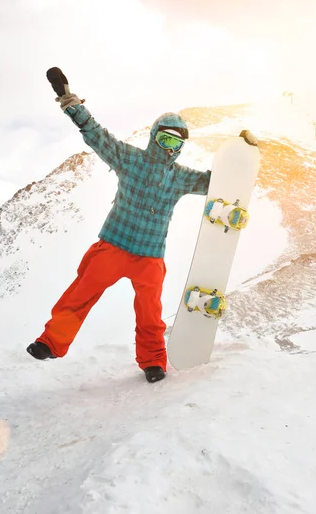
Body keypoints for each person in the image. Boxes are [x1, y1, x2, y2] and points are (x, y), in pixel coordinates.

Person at [27, 69, 213, 382]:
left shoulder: (180, 176)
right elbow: (98, 137)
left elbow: (213, 182)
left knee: (150, 313)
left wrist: (242, 161)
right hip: (113, 246)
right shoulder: (129, 158)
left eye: (175, 143)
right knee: (80, 294)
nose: (169, 148)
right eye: (164, 139)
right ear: (154, 137)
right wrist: (70, 102)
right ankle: (50, 342)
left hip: (150, 257)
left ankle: (153, 362)